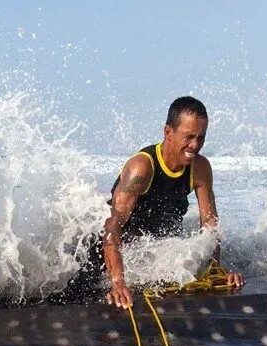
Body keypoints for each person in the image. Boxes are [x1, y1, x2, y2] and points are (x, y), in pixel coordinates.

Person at [101, 96, 245, 309]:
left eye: (201, 138)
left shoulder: (200, 168)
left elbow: (210, 225)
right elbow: (112, 225)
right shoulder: (142, 168)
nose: (195, 145)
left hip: (156, 251)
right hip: (115, 254)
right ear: (168, 132)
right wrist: (118, 282)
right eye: (189, 137)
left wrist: (214, 269)